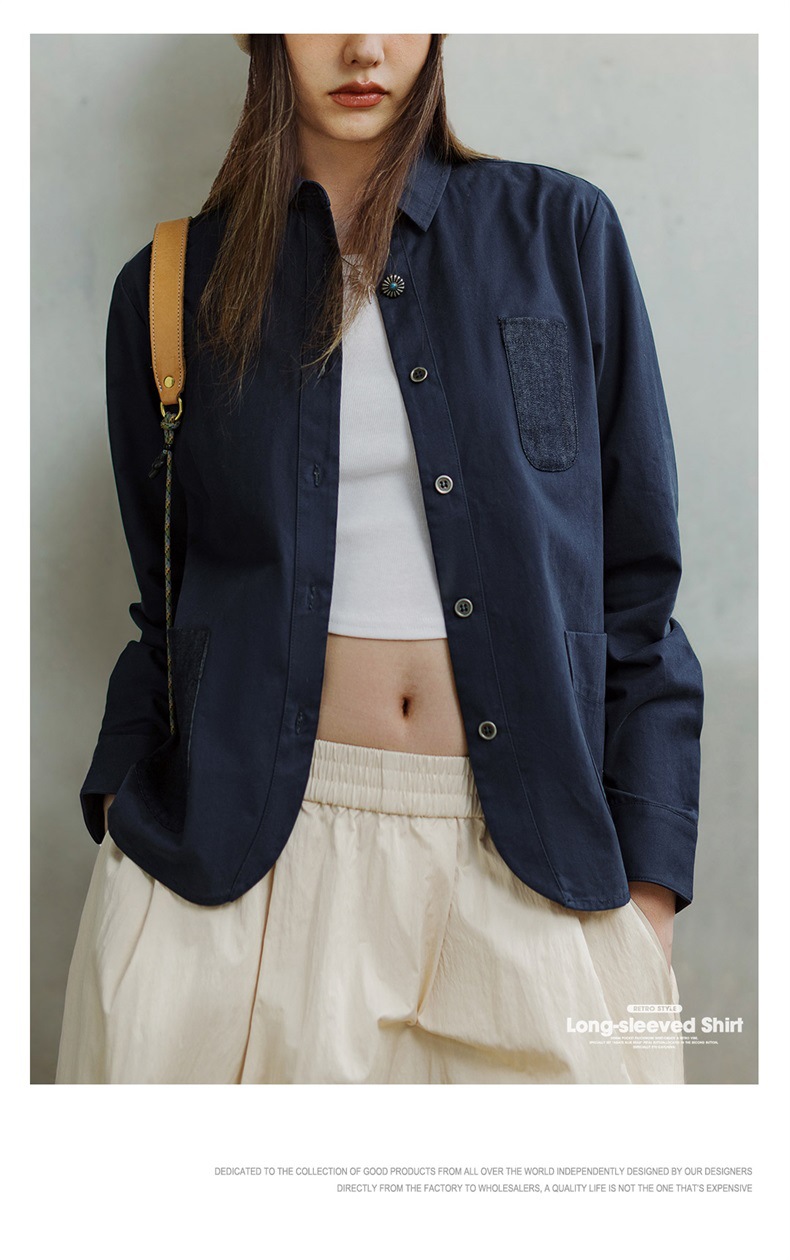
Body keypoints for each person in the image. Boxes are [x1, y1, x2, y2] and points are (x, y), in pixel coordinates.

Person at [55, 33, 704, 1085]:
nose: (363, 44)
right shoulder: (172, 288)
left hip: (532, 861)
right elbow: (165, 603)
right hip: (238, 881)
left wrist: (649, 893)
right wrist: (120, 810)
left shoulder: (560, 235)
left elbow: (636, 588)